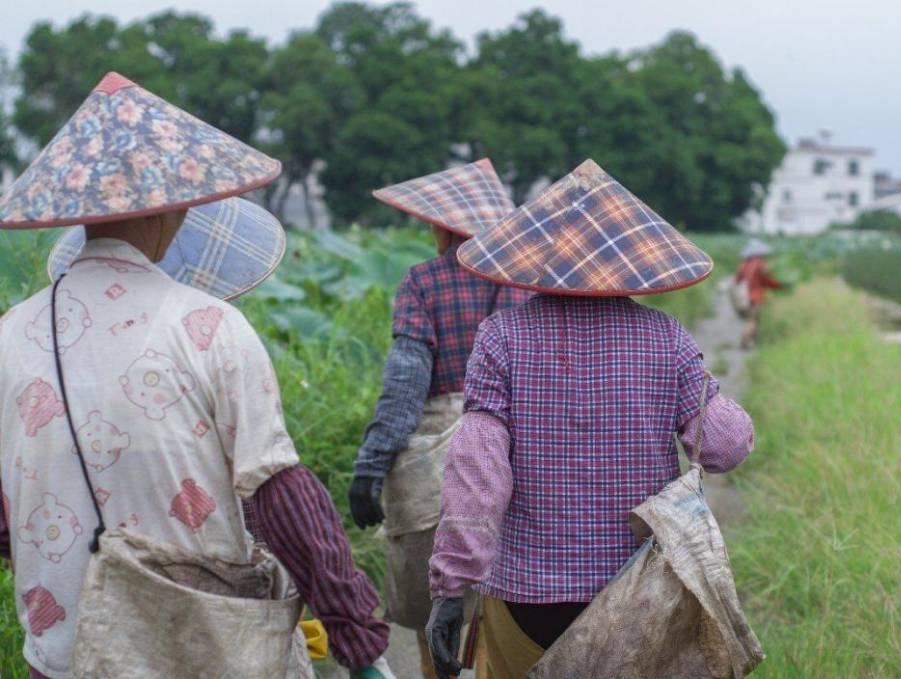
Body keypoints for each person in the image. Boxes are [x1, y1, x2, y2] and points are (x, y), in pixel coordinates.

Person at [0, 72, 391, 678]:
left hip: (66, 654)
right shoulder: (209, 325)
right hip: (200, 650)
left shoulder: (9, 334)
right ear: (175, 207)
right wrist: (356, 636)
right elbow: (279, 494)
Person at [424, 160, 756, 678]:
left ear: (537, 257)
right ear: (630, 262)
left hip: (528, 598)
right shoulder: (665, 338)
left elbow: (477, 479)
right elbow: (726, 447)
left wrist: (450, 588)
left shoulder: (501, 337)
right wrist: (702, 389)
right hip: (640, 595)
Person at [348, 159, 530, 678]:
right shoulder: (529, 286)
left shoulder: (424, 283)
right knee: (502, 620)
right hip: (517, 461)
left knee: (438, 624)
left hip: (438, 476)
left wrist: (371, 463)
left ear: (443, 227)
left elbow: (406, 384)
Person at [735, 238, 782, 349]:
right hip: (756, 296)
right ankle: (745, 340)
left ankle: (753, 341)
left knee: (751, 319)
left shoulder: (744, 264)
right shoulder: (761, 264)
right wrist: (779, 285)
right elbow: (767, 280)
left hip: (744, 297)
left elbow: (737, 280)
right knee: (753, 320)